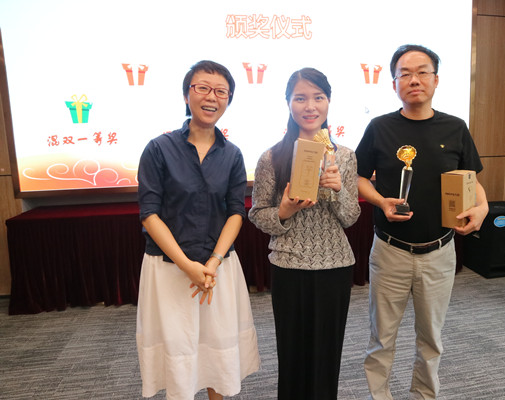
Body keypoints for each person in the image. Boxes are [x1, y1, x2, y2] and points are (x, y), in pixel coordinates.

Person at [355, 45, 489, 400]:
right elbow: (359, 177)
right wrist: (381, 201)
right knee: (381, 338)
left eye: (422, 72)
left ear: (436, 79)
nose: (414, 80)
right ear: (394, 83)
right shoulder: (379, 127)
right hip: (390, 251)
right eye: (405, 74)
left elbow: (471, 179)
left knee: (431, 339)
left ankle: (424, 396)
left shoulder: (455, 127)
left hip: (439, 253)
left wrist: (483, 207)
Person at [136, 60, 260, 400]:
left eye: (221, 91)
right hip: (169, 268)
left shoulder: (232, 154)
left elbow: (236, 212)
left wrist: (213, 262)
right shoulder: (159, 149)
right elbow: (149, 214)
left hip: (217, 269)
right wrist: (187, 266)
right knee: (179, 353)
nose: (211, 97)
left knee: (217, 351)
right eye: (202, 88)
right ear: (186, 95)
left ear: (228, 100)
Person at [248, 67, 361, 399]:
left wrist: (339, 190)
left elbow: (351, 217)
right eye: (300, 98)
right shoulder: (271, 157)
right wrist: (284, 211)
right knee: (292, 354)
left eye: (318, 97)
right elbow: (257, 213)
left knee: (327, 355)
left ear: (328, 102)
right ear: (288, 103)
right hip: (289, 266)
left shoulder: (344, 156)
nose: (310, 106)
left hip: (334, 267)